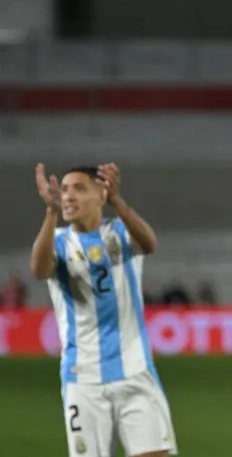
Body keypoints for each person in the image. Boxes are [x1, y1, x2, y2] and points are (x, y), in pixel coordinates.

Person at [29, 163, 177, 457]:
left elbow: (149, 242)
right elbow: (39, 269)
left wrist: (118, 202)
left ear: (100, 196)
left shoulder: (121, 232)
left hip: (134, 371)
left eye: (79, 188)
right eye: (65, 189)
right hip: (82, 379)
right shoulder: (57, 241)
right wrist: (50, 212)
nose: (68, 196)